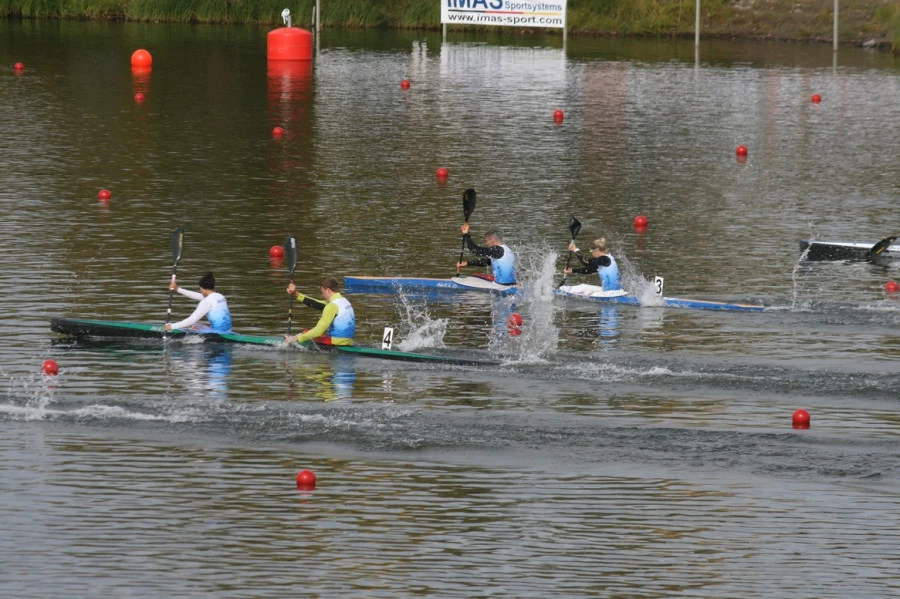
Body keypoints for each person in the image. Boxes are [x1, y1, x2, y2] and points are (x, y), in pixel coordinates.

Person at [283, 276, 355, 346]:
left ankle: (291, 340)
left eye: (323, 293)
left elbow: (318, 331)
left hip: (335, 343)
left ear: (328, 290)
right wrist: (296, 294)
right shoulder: (344, 301)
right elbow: (317, 303)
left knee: (305, 333)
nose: (323, 296)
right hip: (349, 342)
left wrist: (295, 338)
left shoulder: (331, 306)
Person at [165, 272, 233, 332]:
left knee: (192, 325)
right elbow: (198, 296)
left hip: (216, 334)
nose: (200, 290)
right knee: (196, 325)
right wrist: (178, 289)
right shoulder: (220, 296)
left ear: (204, 288)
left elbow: (192, 319)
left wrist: (171, 327)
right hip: (227, 331)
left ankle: (170, 325)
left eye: (200, 288)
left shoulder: (207, 301)